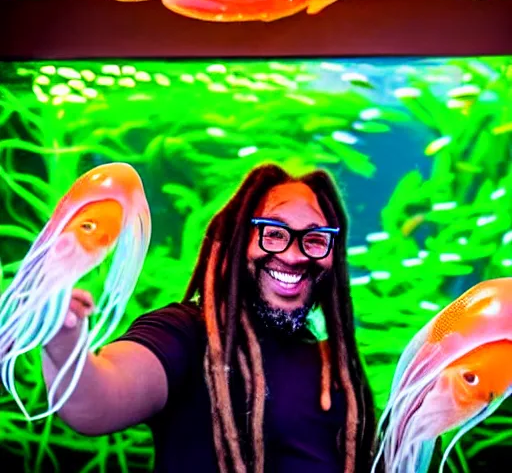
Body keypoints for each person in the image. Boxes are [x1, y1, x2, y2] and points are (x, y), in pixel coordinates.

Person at [42, 163, 376, 473]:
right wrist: (63, 337)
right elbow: (96, 403)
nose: (293, 254)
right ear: (235, 242)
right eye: (274, 233)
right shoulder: (187, 332)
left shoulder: (340, 369)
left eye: (315, 239)